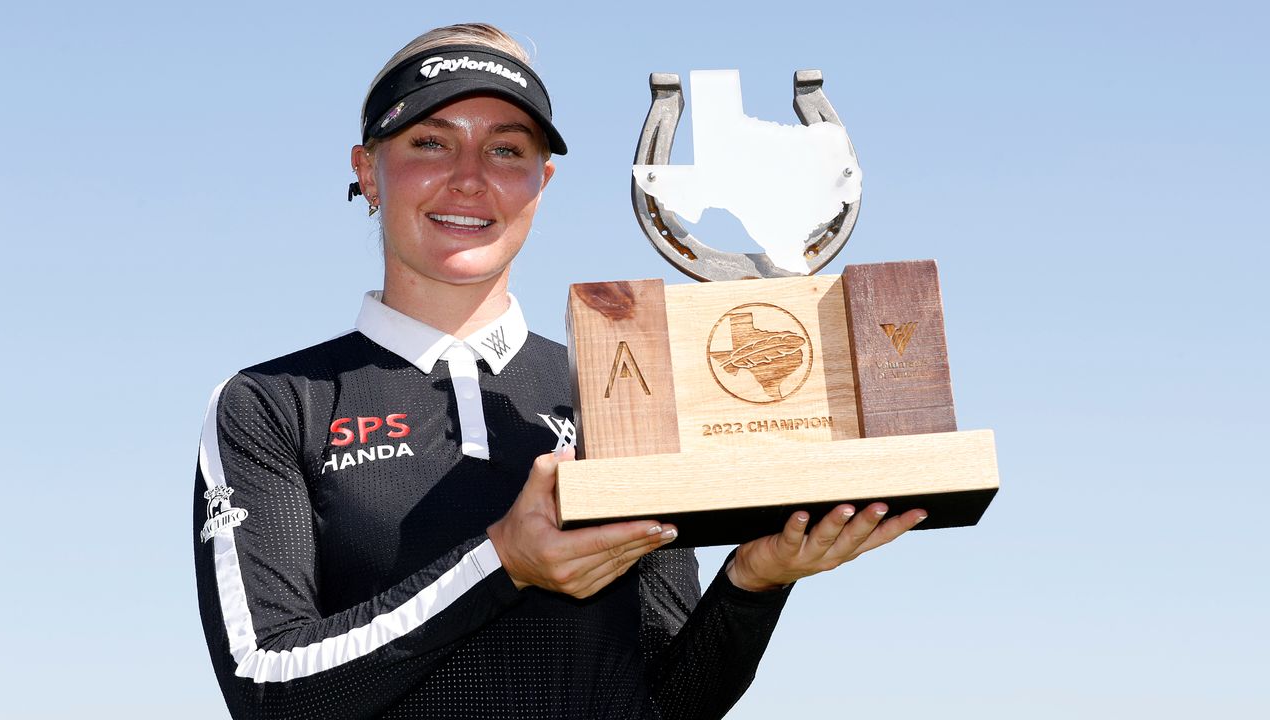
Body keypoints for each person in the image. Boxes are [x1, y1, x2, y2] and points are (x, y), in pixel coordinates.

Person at [193, 23, 926, 719]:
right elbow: (268, 688)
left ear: (542, 182)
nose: (470, 179)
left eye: (507, 151)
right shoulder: (270, 405)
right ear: (368, 170)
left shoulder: (621, 393)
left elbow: (668, 704)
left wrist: (752, 586)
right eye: (429, 142)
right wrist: (501, 562)